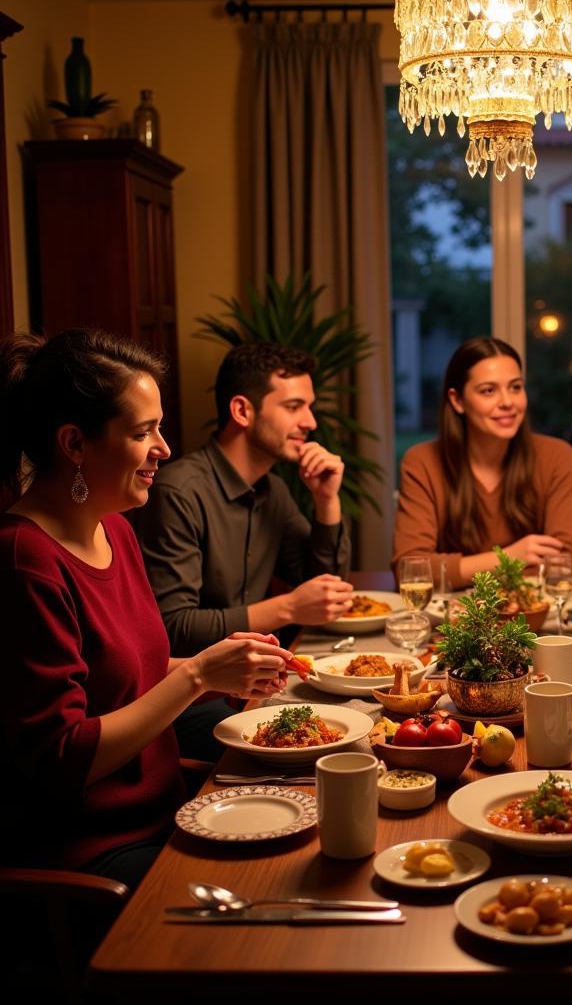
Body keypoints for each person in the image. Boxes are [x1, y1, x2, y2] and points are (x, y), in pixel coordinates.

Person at [0, 330, 293, 887]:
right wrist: (198, 675)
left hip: (171, 814)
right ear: (74, 443)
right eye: (143, 431)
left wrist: (224, 671)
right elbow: (63, 757)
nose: (164, 447)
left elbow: (127, 678)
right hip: (94, 854)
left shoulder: (114, 528)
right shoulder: (24, 561)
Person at [134, 342, 353, 657]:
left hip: (255, 676)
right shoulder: (178, 492)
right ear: (241, 411)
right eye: (294, 406)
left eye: (309, 406)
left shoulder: (274, 491)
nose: (310, 422)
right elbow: (173, 628)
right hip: (196, 696)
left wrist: (326, 500)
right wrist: (288, 608)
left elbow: (327, 596)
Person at [392, 336, 572, 586]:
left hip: (531, 617)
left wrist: (461, 571)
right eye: (488, 391)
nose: (507, 402)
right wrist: (509, 558)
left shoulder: (556, 456)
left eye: (516, 387)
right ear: (457, 400)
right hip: (454, 619)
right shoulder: (422, 462)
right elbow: (410, 569)